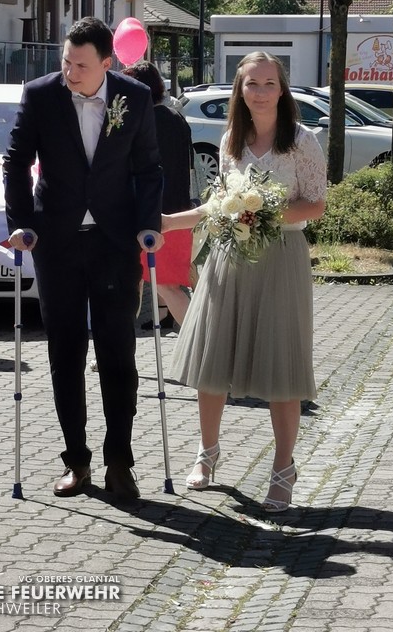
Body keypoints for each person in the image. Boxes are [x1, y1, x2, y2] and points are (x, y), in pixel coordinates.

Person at [3, 17, 163, 502]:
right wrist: (23, 221)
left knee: (118, 353)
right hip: (57, 242)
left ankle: (120, 461)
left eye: (81, 65)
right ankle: (76, 460)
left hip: (114, 242)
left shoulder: (134, 98)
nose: (70, 72)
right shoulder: (41, 95)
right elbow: (16, 161)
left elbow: (148, 167)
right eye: (66, 62)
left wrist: (148, 223)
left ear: (107, 63)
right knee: (65, 352)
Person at [162, 51, 326, 511]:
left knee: (282, 367)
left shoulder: (303, 142)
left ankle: (283, 469)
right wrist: (169, 222)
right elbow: (218, 206)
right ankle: (207, 453)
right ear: (239, 89)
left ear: (282, 89)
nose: (260, 92)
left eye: (269, 83)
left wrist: (265, 215)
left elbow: (315, 204)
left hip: (282, 258)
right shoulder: (231, 140)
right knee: (212, 358)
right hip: (229, 257)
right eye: (252, 83)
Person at [121, 61, 193, 330]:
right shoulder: (176, 118)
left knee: (162, 286)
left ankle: (199, 343)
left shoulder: (144, 121)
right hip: (178, 213)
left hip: (152, 215)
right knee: (163, 284)